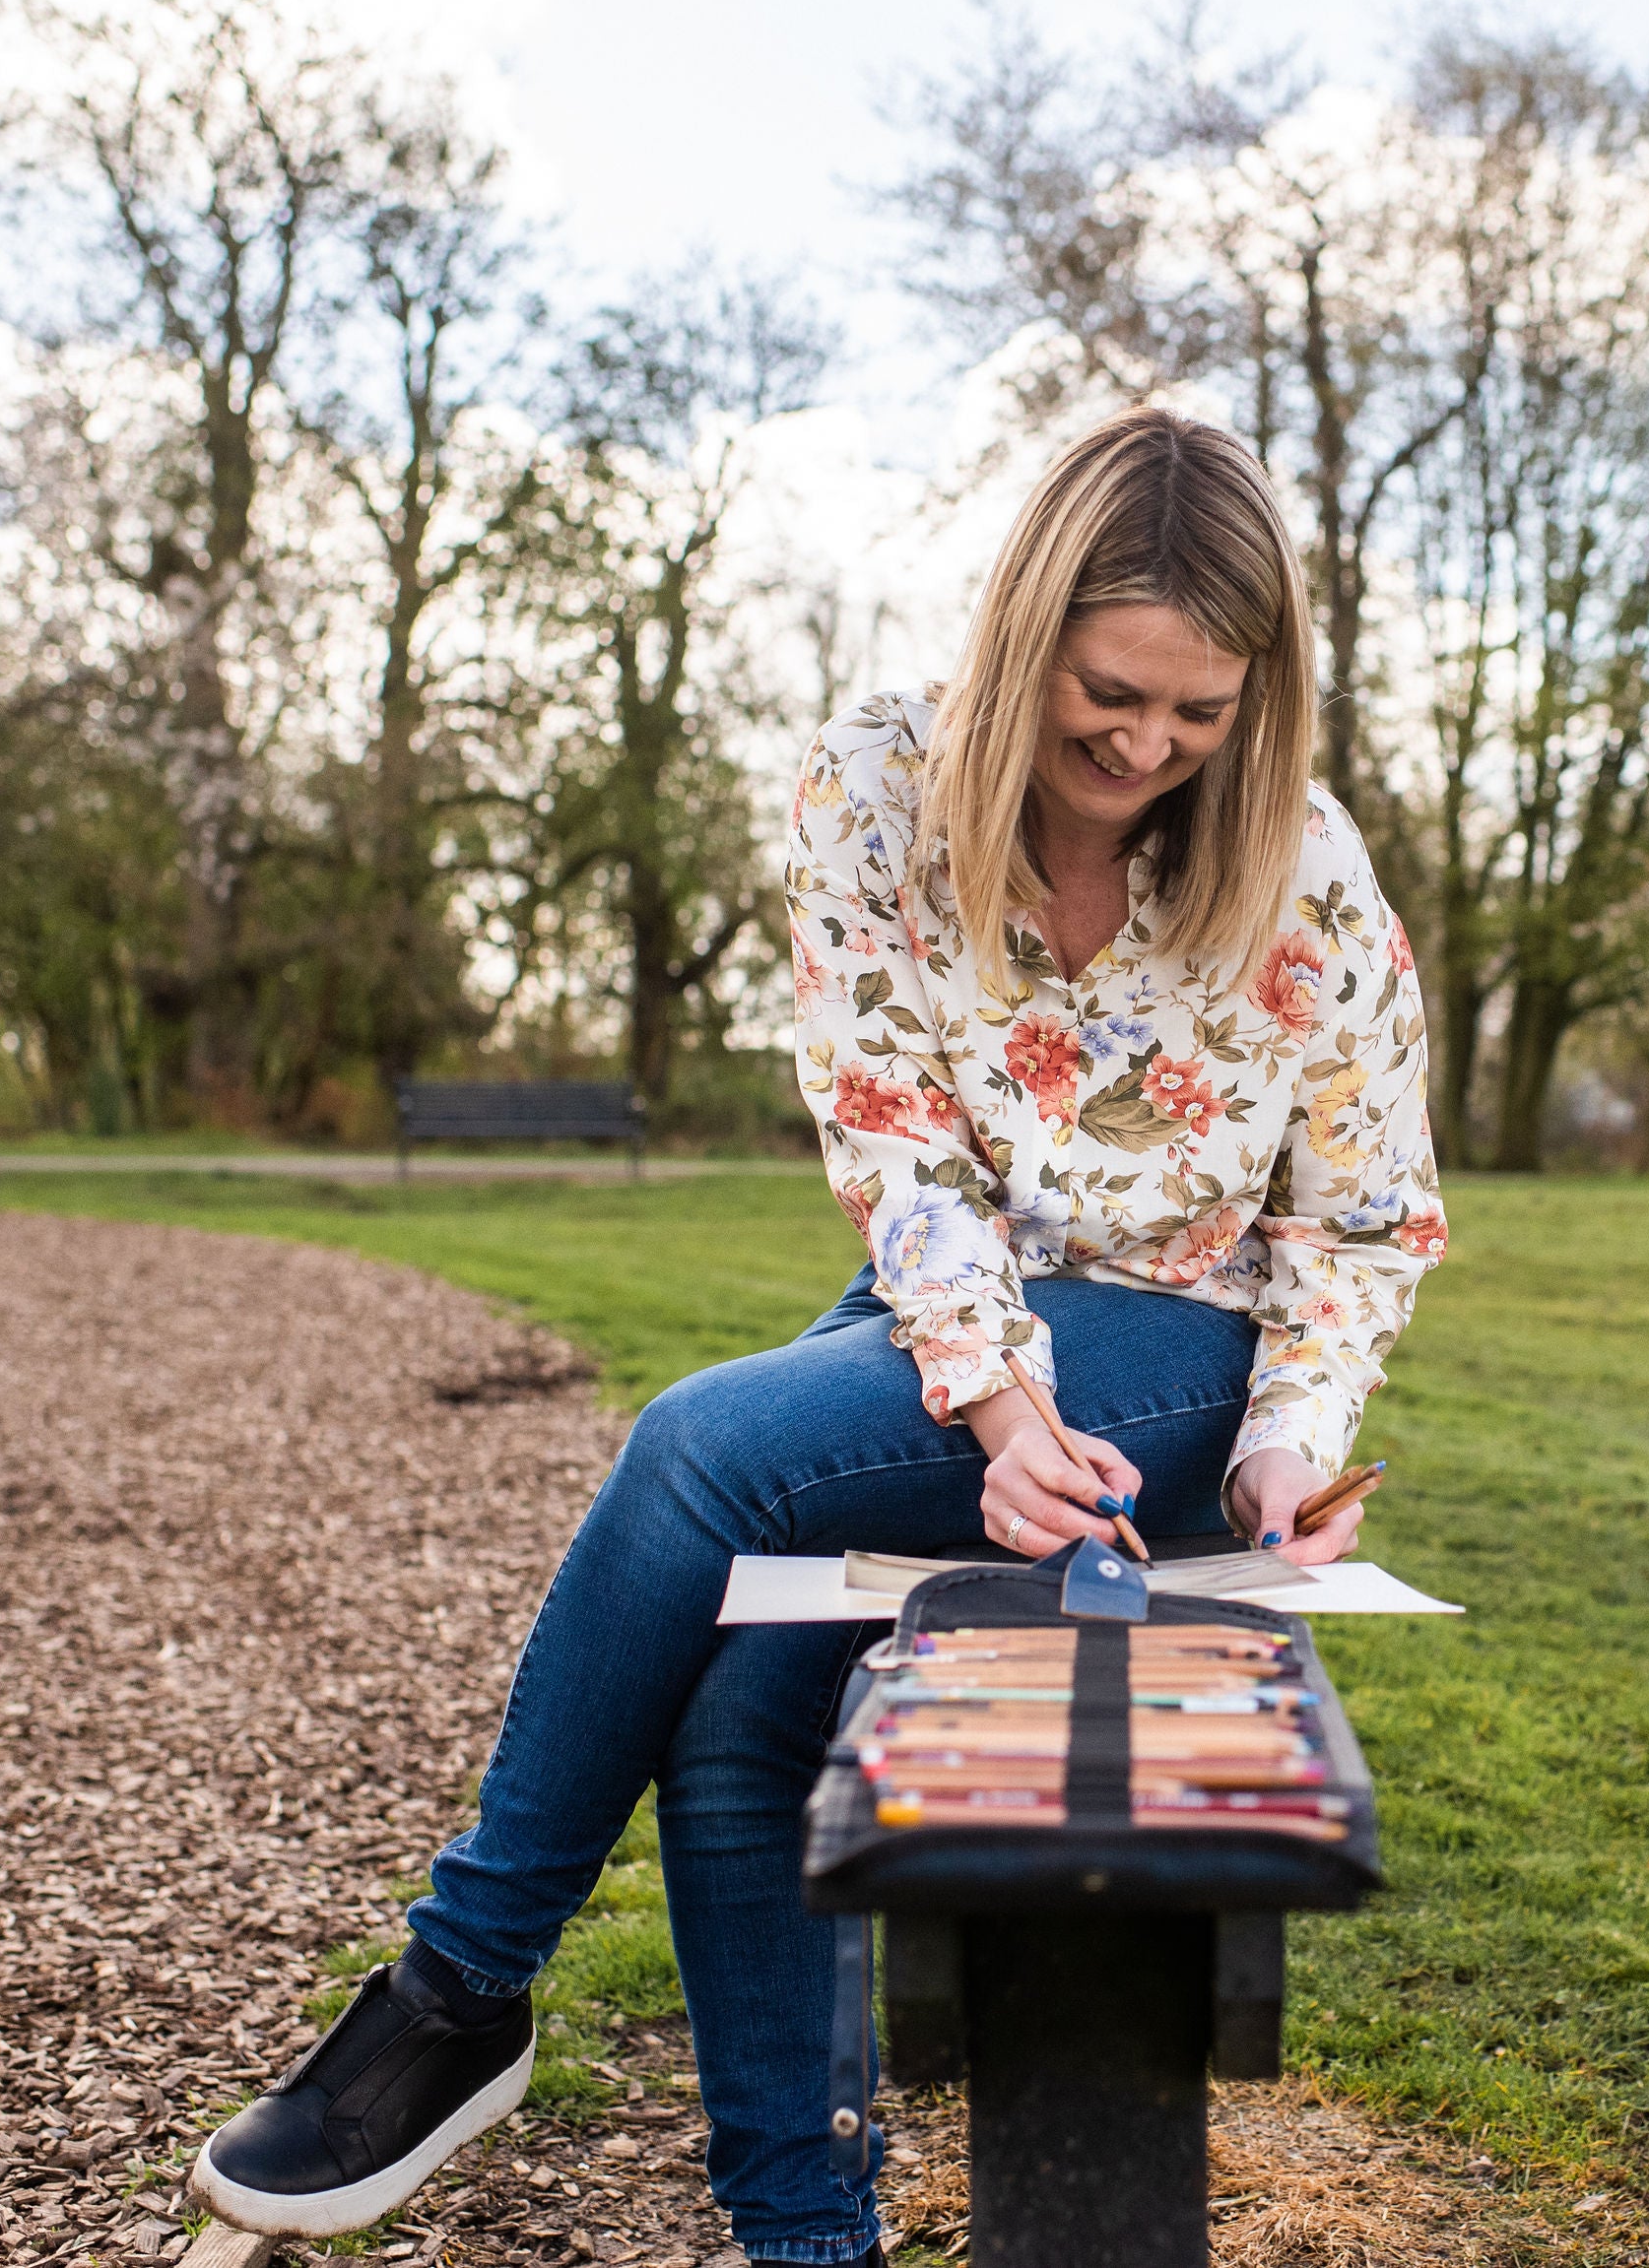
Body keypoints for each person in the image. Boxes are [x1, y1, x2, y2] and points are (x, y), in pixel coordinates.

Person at [191, 408, 1449, 2265]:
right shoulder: (874, 783)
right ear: (1028, 630)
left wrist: (1280, 1445)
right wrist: (999, 1400)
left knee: (700, 1448)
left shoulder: (1308, 868)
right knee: (745, 1693)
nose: (1147, 744)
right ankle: (805, 2241)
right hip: (946, 1315)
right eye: (1111, 690)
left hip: (1188, 1349)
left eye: (1202, 712)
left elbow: (1357, 1213)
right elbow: (892, 1131)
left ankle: (461, 1990)